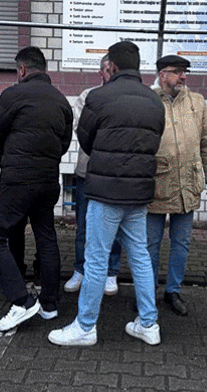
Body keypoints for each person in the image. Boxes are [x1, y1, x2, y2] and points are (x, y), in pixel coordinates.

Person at [48, 41, 164, 346]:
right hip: (138, 193)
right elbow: (155, 140)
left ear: (111, 66)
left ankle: (85, 326)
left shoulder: (98, 97)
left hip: (106, 192)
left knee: (96, 258)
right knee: (140, 256)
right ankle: (149, 324)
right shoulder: (155, 101)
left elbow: (86, 139)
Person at [0, 46, 72, 332]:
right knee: (46, 237)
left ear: (21, 70)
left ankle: (22, 300)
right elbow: (64, 143)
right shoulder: (61, 101)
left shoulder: (13, 95)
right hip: (48, 180)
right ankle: (49, 304)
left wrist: (8, 157)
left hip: (18, 180)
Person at [146, 55, 207, 316]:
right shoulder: (150, 101)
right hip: (156, 184)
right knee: (149, 244)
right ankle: (148, 293)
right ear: (162, 74)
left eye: (185, 72)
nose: (184, 77)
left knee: (182, 243)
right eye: (177, 72)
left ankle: (173, 290)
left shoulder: (196, 102)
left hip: (187, 183)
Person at [65, 54, 123, 296]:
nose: (113, 76)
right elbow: (81, 129)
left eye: (117, 71)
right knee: (84, 225)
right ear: (101, 73)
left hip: (115, 175)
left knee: (115, 226)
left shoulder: (126, 97)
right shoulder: (86, 97)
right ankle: (81, 269)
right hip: (87, 172)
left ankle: (111, 272)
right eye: (110, 71)